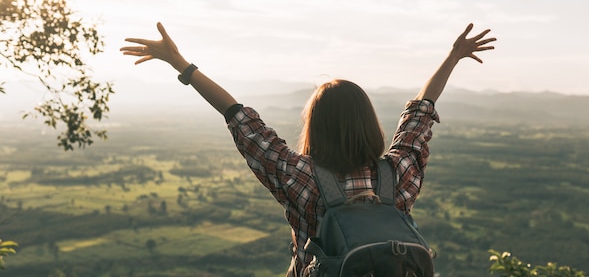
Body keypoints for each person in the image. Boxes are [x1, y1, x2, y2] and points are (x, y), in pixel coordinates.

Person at [120, 22, 496, 275]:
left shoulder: (299, 177)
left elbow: (238, 117)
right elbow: (419, 114)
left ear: (315, 126)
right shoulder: (398, 175)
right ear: (369, 122)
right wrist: (453, 57)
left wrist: (181, 65)